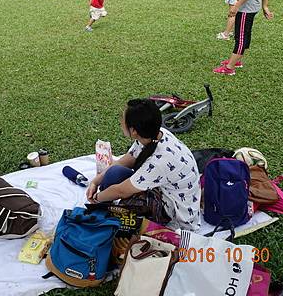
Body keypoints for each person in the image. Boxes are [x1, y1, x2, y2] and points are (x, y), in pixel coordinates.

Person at [86, 99, 201, 231]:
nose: (120, 121)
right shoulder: (155, 134)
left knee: (123, 213)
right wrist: (96, 181)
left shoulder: (160, 161)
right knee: (115, 172)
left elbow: (121, 191)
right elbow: (128, 159)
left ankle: (102, 208)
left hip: (172, 209)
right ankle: (104, 204)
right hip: (161, 189)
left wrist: (96, 199)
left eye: (122, 119)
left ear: (134, 131)